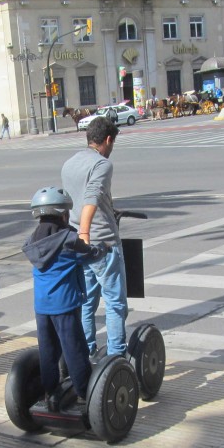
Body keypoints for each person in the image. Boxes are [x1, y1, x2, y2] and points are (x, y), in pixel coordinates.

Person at [23, 187, 107, 410]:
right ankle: (84, 394)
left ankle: (51, 391)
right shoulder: (69, 240)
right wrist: (104, 248)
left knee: (48, 351)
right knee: (75, 350)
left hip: (42, 306)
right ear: (62, 214)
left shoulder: (32, 241)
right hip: (65, 305)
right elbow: (91, 255)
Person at [61, 115, 128, 358]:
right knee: (114, 302)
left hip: (79, 246)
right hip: (102, 244)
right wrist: (86, 232)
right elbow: (90, 197)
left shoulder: (69, 164)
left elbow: (74, 201)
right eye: (112, 144)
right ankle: (116, 356)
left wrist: (81, 236)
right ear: (107, 140)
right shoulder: (102, 164)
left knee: (87, 302)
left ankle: (87, 351)